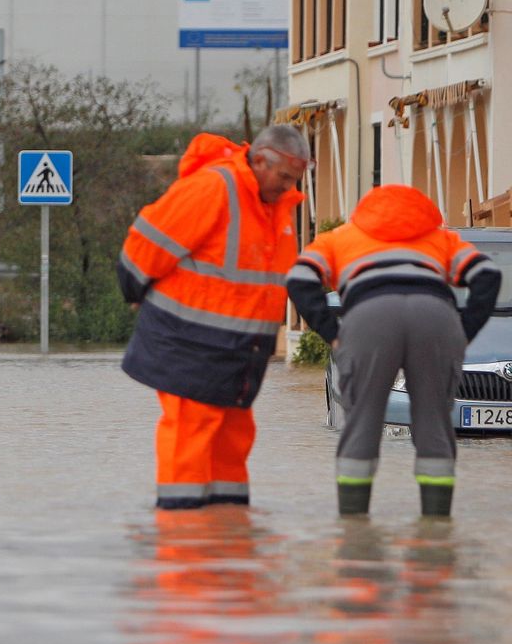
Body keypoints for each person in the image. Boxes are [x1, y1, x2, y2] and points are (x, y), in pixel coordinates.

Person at [117, 125, 309, 509]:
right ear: (259, 160)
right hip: (189, 342)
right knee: (190, 432)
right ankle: (181, 536)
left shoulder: (275, 209)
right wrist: (134, 293)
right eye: (284, 177)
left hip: (241, 351)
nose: (289, 188)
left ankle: (228, 536)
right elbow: (143, 248)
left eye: (295, 180)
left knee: (233, 437)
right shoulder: (214, 187)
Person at [285, 184, 500, 517]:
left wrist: (333, 334)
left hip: (369, 315)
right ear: (422, 210)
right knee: (434, 421)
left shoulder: (341, 237)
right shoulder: (439, 239)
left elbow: (299, 278)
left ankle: (355, 529)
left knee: (363, 420)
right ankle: (436, 526)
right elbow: (487, 275)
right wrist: (464, 331)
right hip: (434, 314)